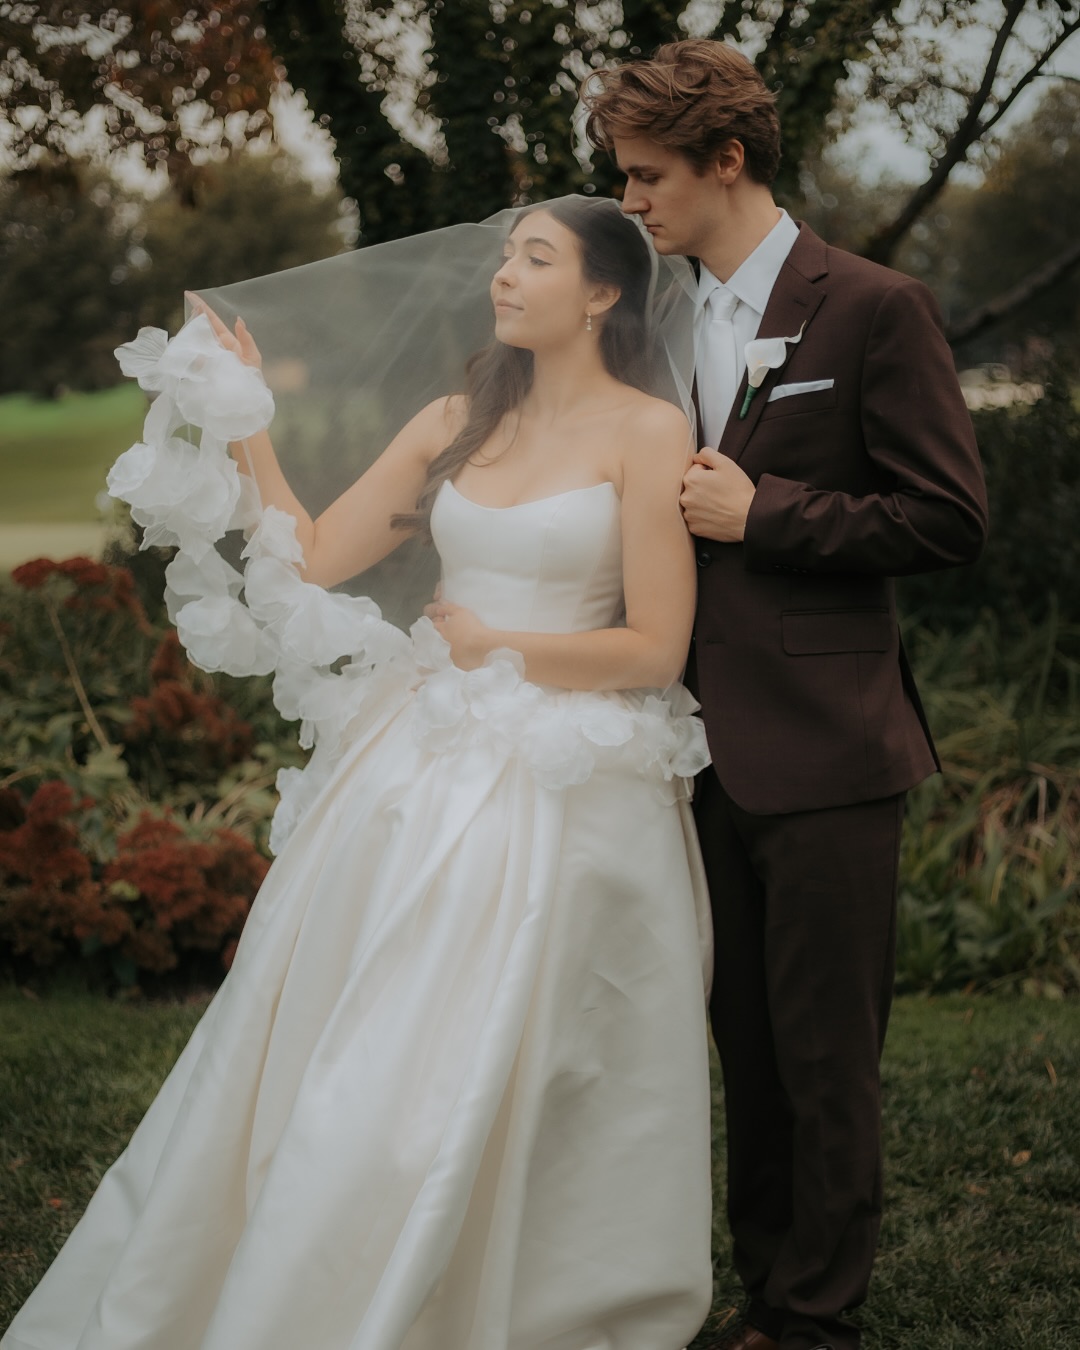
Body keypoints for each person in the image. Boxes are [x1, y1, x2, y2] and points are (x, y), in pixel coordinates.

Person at [2, 197, 716, 1350]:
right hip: (423, 757)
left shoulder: (646, 432)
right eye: (503, 253)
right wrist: (248, 425)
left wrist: (502, 648)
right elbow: (323, 552)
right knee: (368, 1034)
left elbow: (656, 649)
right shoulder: (457, 419)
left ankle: (524, 1283)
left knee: (535, 1058)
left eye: (536, 257)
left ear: (601, 296)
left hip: (568, 773)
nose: (503, 274)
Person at [585, 40, 989, 1350]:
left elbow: (947, 518)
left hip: (828, 753)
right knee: (743, 1049)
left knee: (825, 1059)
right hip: (689, 748)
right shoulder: (653, 316)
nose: (630, 201)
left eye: (647, 175)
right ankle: (765, 1289)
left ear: (729, 160)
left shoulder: (874, 307)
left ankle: (818, 1315)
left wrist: (772, 512)